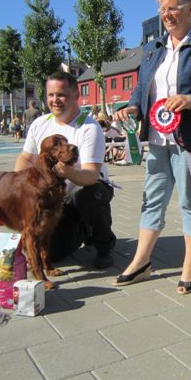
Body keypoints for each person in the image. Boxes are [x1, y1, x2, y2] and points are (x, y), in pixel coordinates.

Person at [113, 0, 191, 294]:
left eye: (173, 8)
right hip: (156, 140)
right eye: (162, 9)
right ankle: (141, 261)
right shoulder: (152, 49)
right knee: (152, 199)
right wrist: (133, 108)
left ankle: (190, 265)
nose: (166, 14)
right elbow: (142, 90)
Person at [15, 72, 116, 269]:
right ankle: (83, 229)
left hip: (86, 188)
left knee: (88, 195)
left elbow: (91, 175)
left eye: (61, 95)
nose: (55, 100)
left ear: (76, 95)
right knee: (51, 256)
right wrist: (18, 185)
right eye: (50, 95)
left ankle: (104, 245)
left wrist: (67, 173)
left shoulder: (89, 128)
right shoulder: (39, 124)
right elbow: (26, 158)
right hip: (54, 197)